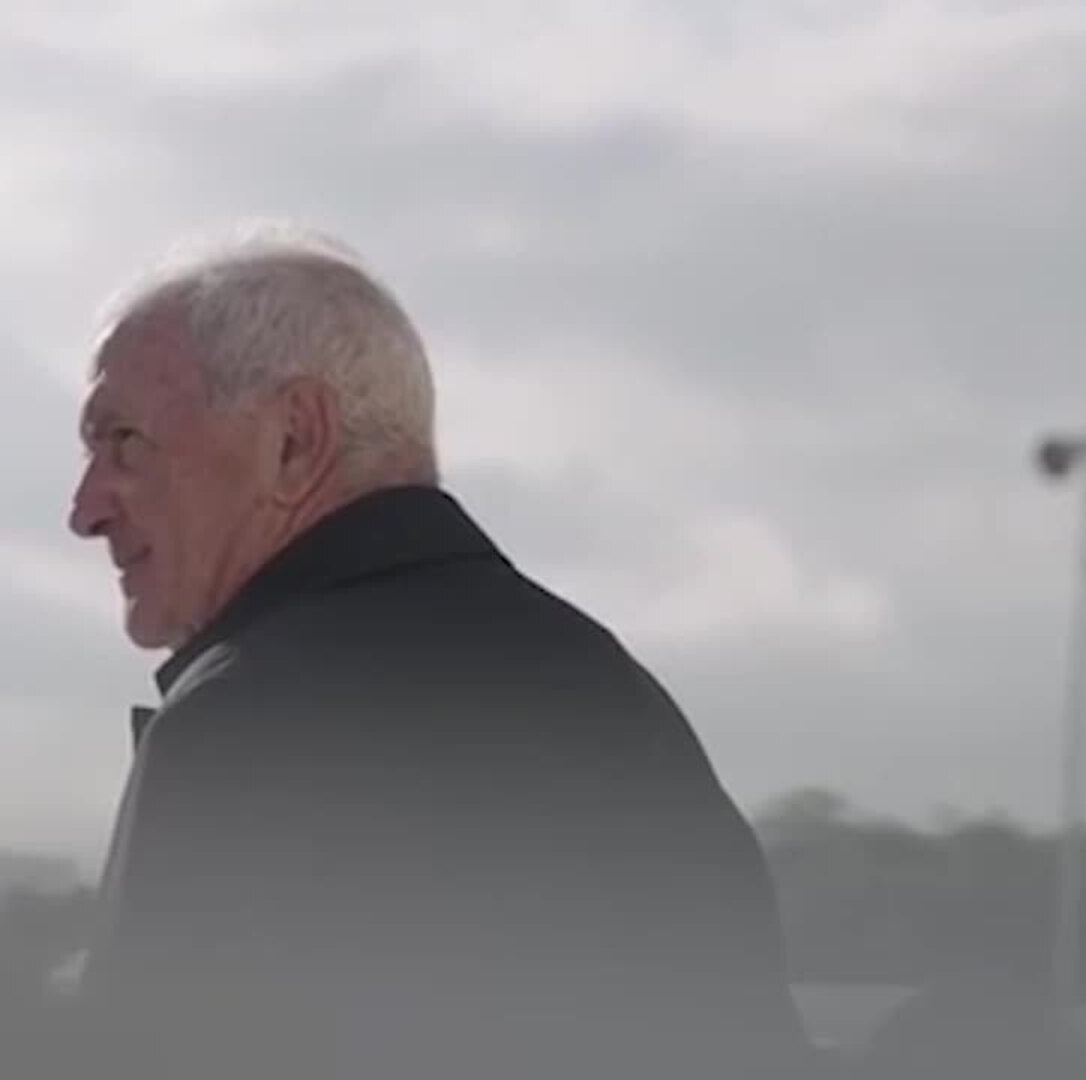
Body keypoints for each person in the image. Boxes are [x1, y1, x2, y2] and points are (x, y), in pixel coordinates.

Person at [63, 223, 815, 1079]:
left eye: (123, 442)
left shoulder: (241, 730)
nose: (86, 509)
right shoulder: (625, 704)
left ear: (294, 440)